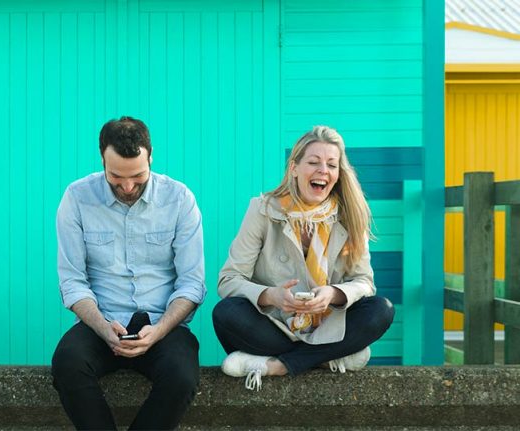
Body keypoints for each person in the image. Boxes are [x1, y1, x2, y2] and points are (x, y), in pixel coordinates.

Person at [212, 125, 395, 390]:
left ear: (338, 174)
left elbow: (364, 282)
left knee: (382, 309)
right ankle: (325, 358)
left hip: (328, 325)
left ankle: (279, 366)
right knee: (226, 313)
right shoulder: (262, 210)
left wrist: (333, 294)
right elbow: (228, 280)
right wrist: (271, 295)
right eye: (313, 162)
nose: (323, 170)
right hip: (275, 326)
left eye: (332, 165)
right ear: (294, 168)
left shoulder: (351, 216)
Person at [52, 116, 206, 430]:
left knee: (182, 377)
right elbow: (72, 280)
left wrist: (160, 329)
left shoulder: (179, 200)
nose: (127, 187)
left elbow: (191, 282)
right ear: (102, 161)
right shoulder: (77, 198)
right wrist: (100, 325)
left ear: (151, 157)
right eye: (116, 177)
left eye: (137, 176)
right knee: (67, 364)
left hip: (161, 323)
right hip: (102, 321)